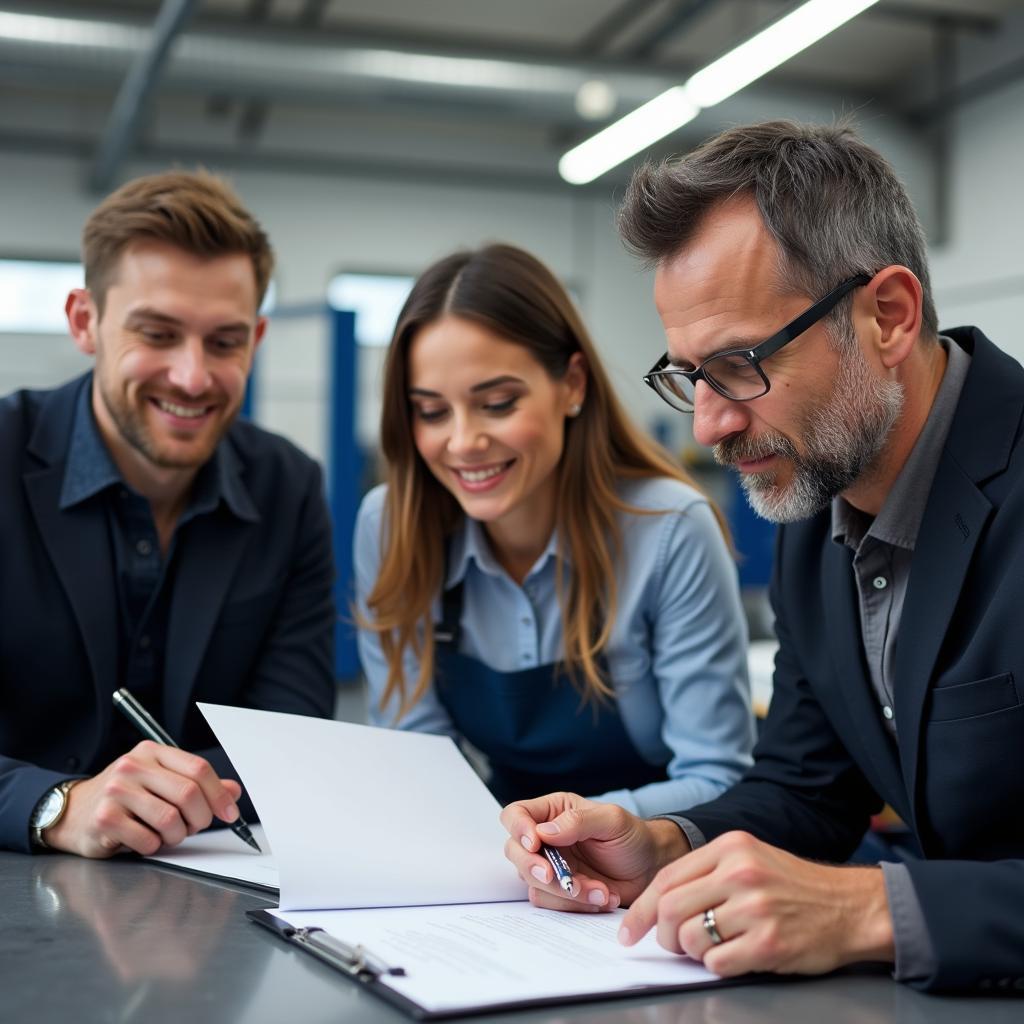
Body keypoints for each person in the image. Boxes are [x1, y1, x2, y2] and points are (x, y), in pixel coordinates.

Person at [501, 120, 1024, 993]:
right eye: (690, 376)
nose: (709, 425)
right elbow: (809, 787)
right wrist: (663, 845)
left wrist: (862, 909)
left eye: (741, 364)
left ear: (887, 316)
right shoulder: (815, 517)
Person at [0, 171, 336, 857]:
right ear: (84, 321)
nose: (192, 377)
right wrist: (55, 803)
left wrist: (169, 801)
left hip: (215, 897)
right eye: (157, 333)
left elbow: (293, 731)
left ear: (257, 337)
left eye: (224, 342)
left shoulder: (288, 488)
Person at [355, 243, 754, 817]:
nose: (463, 442)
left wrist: (572, 830)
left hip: (656, 850)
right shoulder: (391, 525)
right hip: (502, 852)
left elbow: (717, 778)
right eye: (432, 412)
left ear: (571, 384)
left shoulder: (670, 530)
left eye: (497, 403)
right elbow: (415, 763)